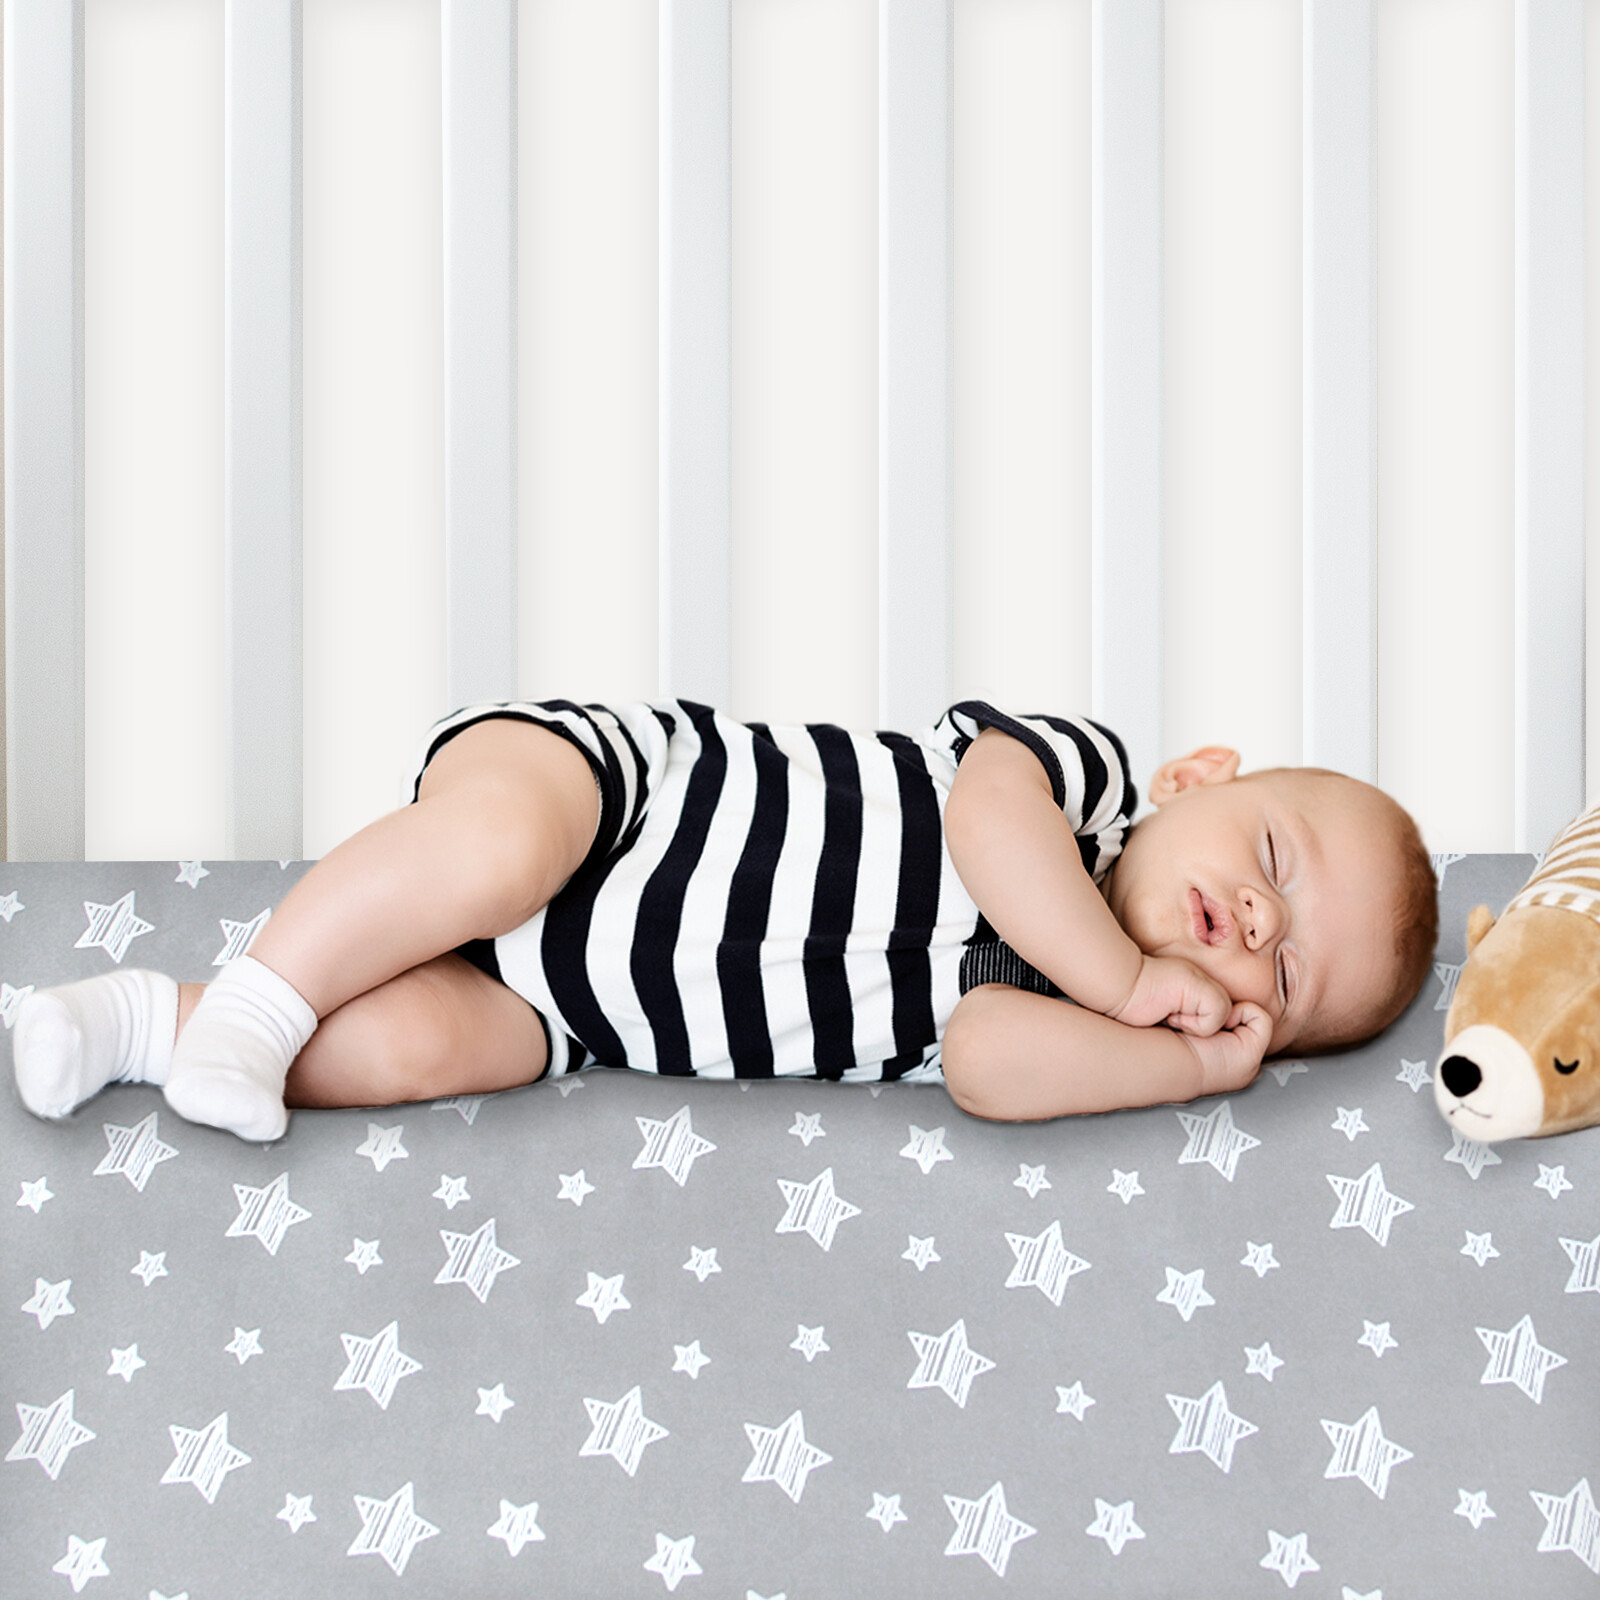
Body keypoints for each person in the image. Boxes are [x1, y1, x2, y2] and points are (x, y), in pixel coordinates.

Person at [11, 698, 1438, 1140]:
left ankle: (139, 1023)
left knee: (424, 1051)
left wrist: (1178, 1066)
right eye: (1273, 856)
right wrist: (1127, 980)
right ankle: (263, 998)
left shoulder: (1076, 1023)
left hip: (570, 1009)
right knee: (494, 852)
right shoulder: (1084, 787)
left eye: (1287, 976)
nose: (1260, 919)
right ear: (1197, 778)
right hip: (613, 797)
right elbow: (986, 826)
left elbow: (983, 1065)